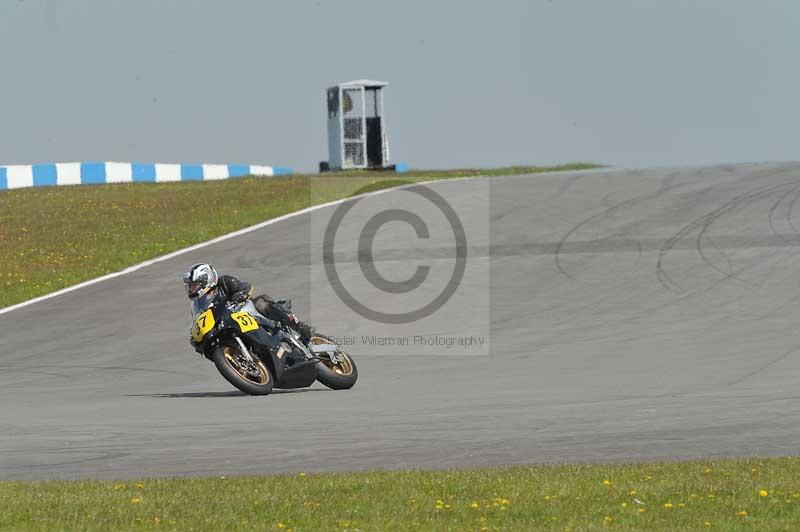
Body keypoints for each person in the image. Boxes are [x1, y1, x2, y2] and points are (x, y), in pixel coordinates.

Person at [182, 263, 315, 342]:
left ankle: (298, 326)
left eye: (195, 285)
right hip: (230, 327)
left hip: (248, 313)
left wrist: (241, 295)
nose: (192, 289)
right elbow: (199, 320)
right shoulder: (197, 304)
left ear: (207, 279)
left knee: (261, 302)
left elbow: (246, 286)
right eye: (190, 286)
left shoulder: (224, 282)